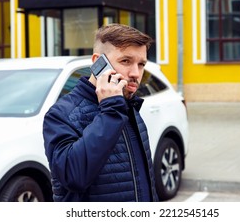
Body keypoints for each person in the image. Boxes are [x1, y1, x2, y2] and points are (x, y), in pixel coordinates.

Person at [43, 23, 158, 202]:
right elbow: (74, 177)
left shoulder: (128, 107)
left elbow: (144, 184)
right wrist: (111, 111)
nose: (136, 73)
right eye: (125, 61)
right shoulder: (61, 114)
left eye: (141, 64)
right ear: (98, 62)